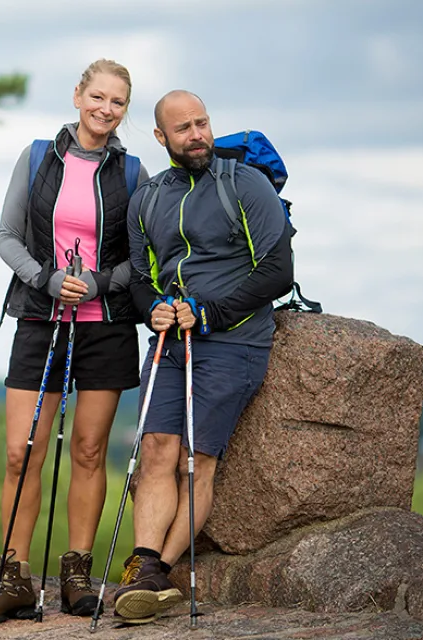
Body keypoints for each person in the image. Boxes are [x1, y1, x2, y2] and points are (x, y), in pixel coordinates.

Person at [0, 58, 148, 626]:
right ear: (77, 96)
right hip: (40, 320)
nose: (105, 109)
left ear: (124, 110)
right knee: (23, 453)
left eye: (117, 102)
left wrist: (97, 282)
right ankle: (14, 577)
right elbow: (6, 237)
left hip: (106, 326)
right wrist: (45, 279)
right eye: (97, 96)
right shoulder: (40, 156)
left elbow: (137, 259)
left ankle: (76, 574)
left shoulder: (133, 172)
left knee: (90, 452)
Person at [110, 90, 294, 624]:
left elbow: (277, 272)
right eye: (183, 128)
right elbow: (142, 281)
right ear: (160, 137)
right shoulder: (147, 199)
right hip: (170, 342)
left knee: (197, 460)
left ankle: (158, 571)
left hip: (233, 342)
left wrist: (207, 312)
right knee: (157, 451)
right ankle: (146, 570)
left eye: (202, 123)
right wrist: (154, 312)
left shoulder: (245, 185)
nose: (197, 135)